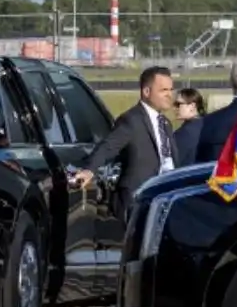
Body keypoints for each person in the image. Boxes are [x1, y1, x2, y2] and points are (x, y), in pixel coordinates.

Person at [73, 65, 176, 220]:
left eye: (171, 89)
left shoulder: (166, 124)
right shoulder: (132, 120)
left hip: (164, 197)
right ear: (146, 92)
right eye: (163, 90)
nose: (170, 95)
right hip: (138, 198)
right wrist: (90, 169)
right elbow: (108, 146)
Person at [172, 87, 207, 165]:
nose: (174, 108)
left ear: (192, 106)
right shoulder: (208, 124)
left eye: (178, 104)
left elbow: (173, 162)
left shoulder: (184, 133)